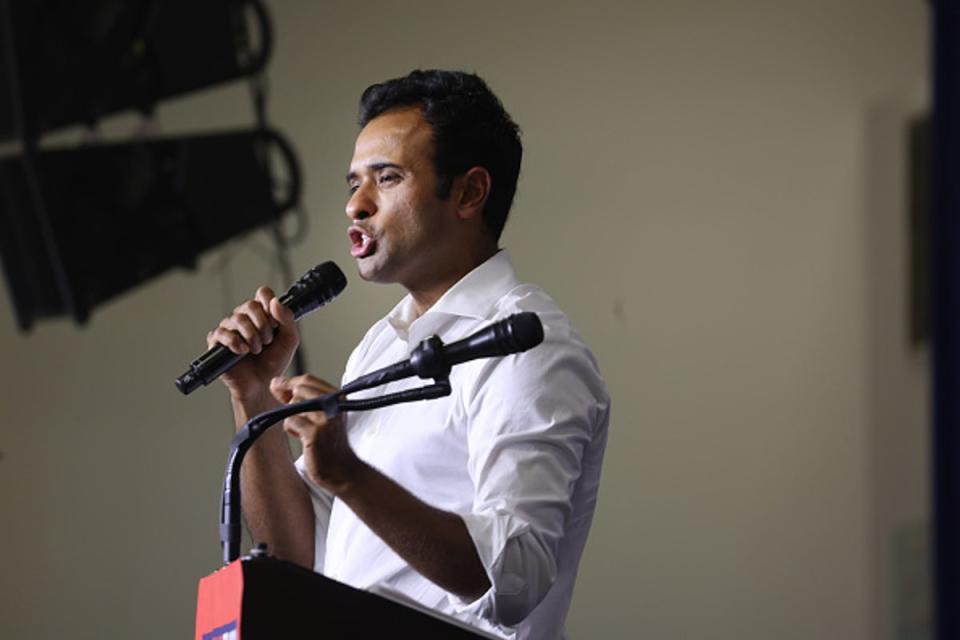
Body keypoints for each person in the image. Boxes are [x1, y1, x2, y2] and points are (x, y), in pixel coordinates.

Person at [207, 70, 609, 639]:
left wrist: (348, 473)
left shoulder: (527, 344)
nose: (356, 207)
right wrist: (251, 395)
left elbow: (515, 578)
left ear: (469, 192)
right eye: (353, 183)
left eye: (387, 178)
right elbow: (297, 555)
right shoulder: (382, 346)